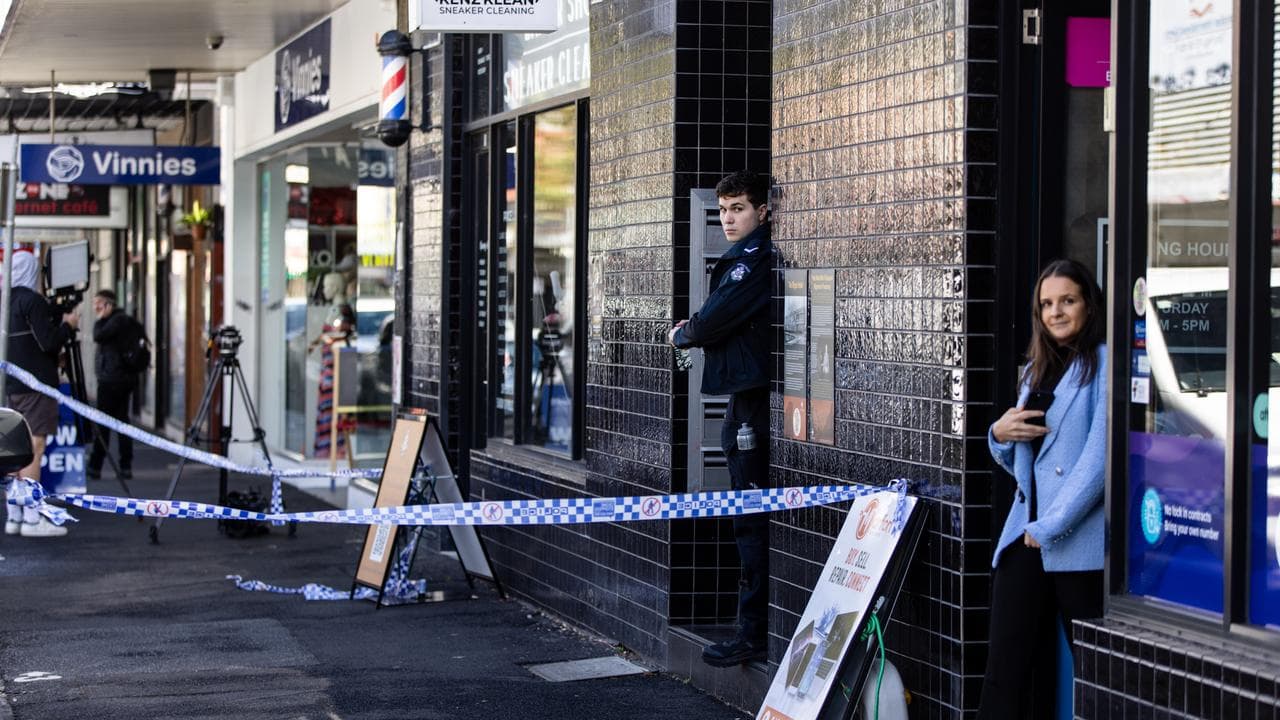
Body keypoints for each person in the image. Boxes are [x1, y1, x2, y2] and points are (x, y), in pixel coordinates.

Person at [977, 258, 1108, 718]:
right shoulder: (1037, 369)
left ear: (1089, 306)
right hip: (1025, 536)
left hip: (1076, 541)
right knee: (1003, 669)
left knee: (1094, 672)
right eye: (1047, 304)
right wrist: (999, 435)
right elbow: (1023, 467)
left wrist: (1051, 525)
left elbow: (1098, 463)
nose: (1056, 312)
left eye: (1067, 301)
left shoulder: (1105, 365)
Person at [669, 171, 774, 667]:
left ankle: (751, 633)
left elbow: (712, 319)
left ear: (763, 211)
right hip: (741, 395)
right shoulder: (741, 258)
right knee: (742, 517)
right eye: (724, 209)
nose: (729, 218)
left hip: (751, 399)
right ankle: (747, 627)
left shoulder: (751, 262)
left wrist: (685, 333)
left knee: (749, 521)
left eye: (739, 209)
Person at [3, 249, 78, 537]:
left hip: (12, 383)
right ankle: (34, 518)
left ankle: (16, 514)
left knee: (13, 450)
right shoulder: (31, 301)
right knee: (35, 448)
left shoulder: (6, 301)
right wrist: (67, 327)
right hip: (37, 386)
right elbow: (48, 342)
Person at [86, 289, 140, 481]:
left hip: (113, 380)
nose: (96, 308)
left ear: (110, 304)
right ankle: (124, 464)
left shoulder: (116, 321)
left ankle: (96, 465)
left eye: (99, 304)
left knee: (106, 424)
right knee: (121, 421)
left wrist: (101, 319)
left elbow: (98, 335)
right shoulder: (122, 321)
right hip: (119, 379)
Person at [309, 302, 356, 458]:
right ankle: (328, 454)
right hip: (328, 386)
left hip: (338, 387)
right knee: (327, 421)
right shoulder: (330, 335)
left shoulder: (345, 342)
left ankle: (337, 455)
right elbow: (314, 345)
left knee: (339, 425)